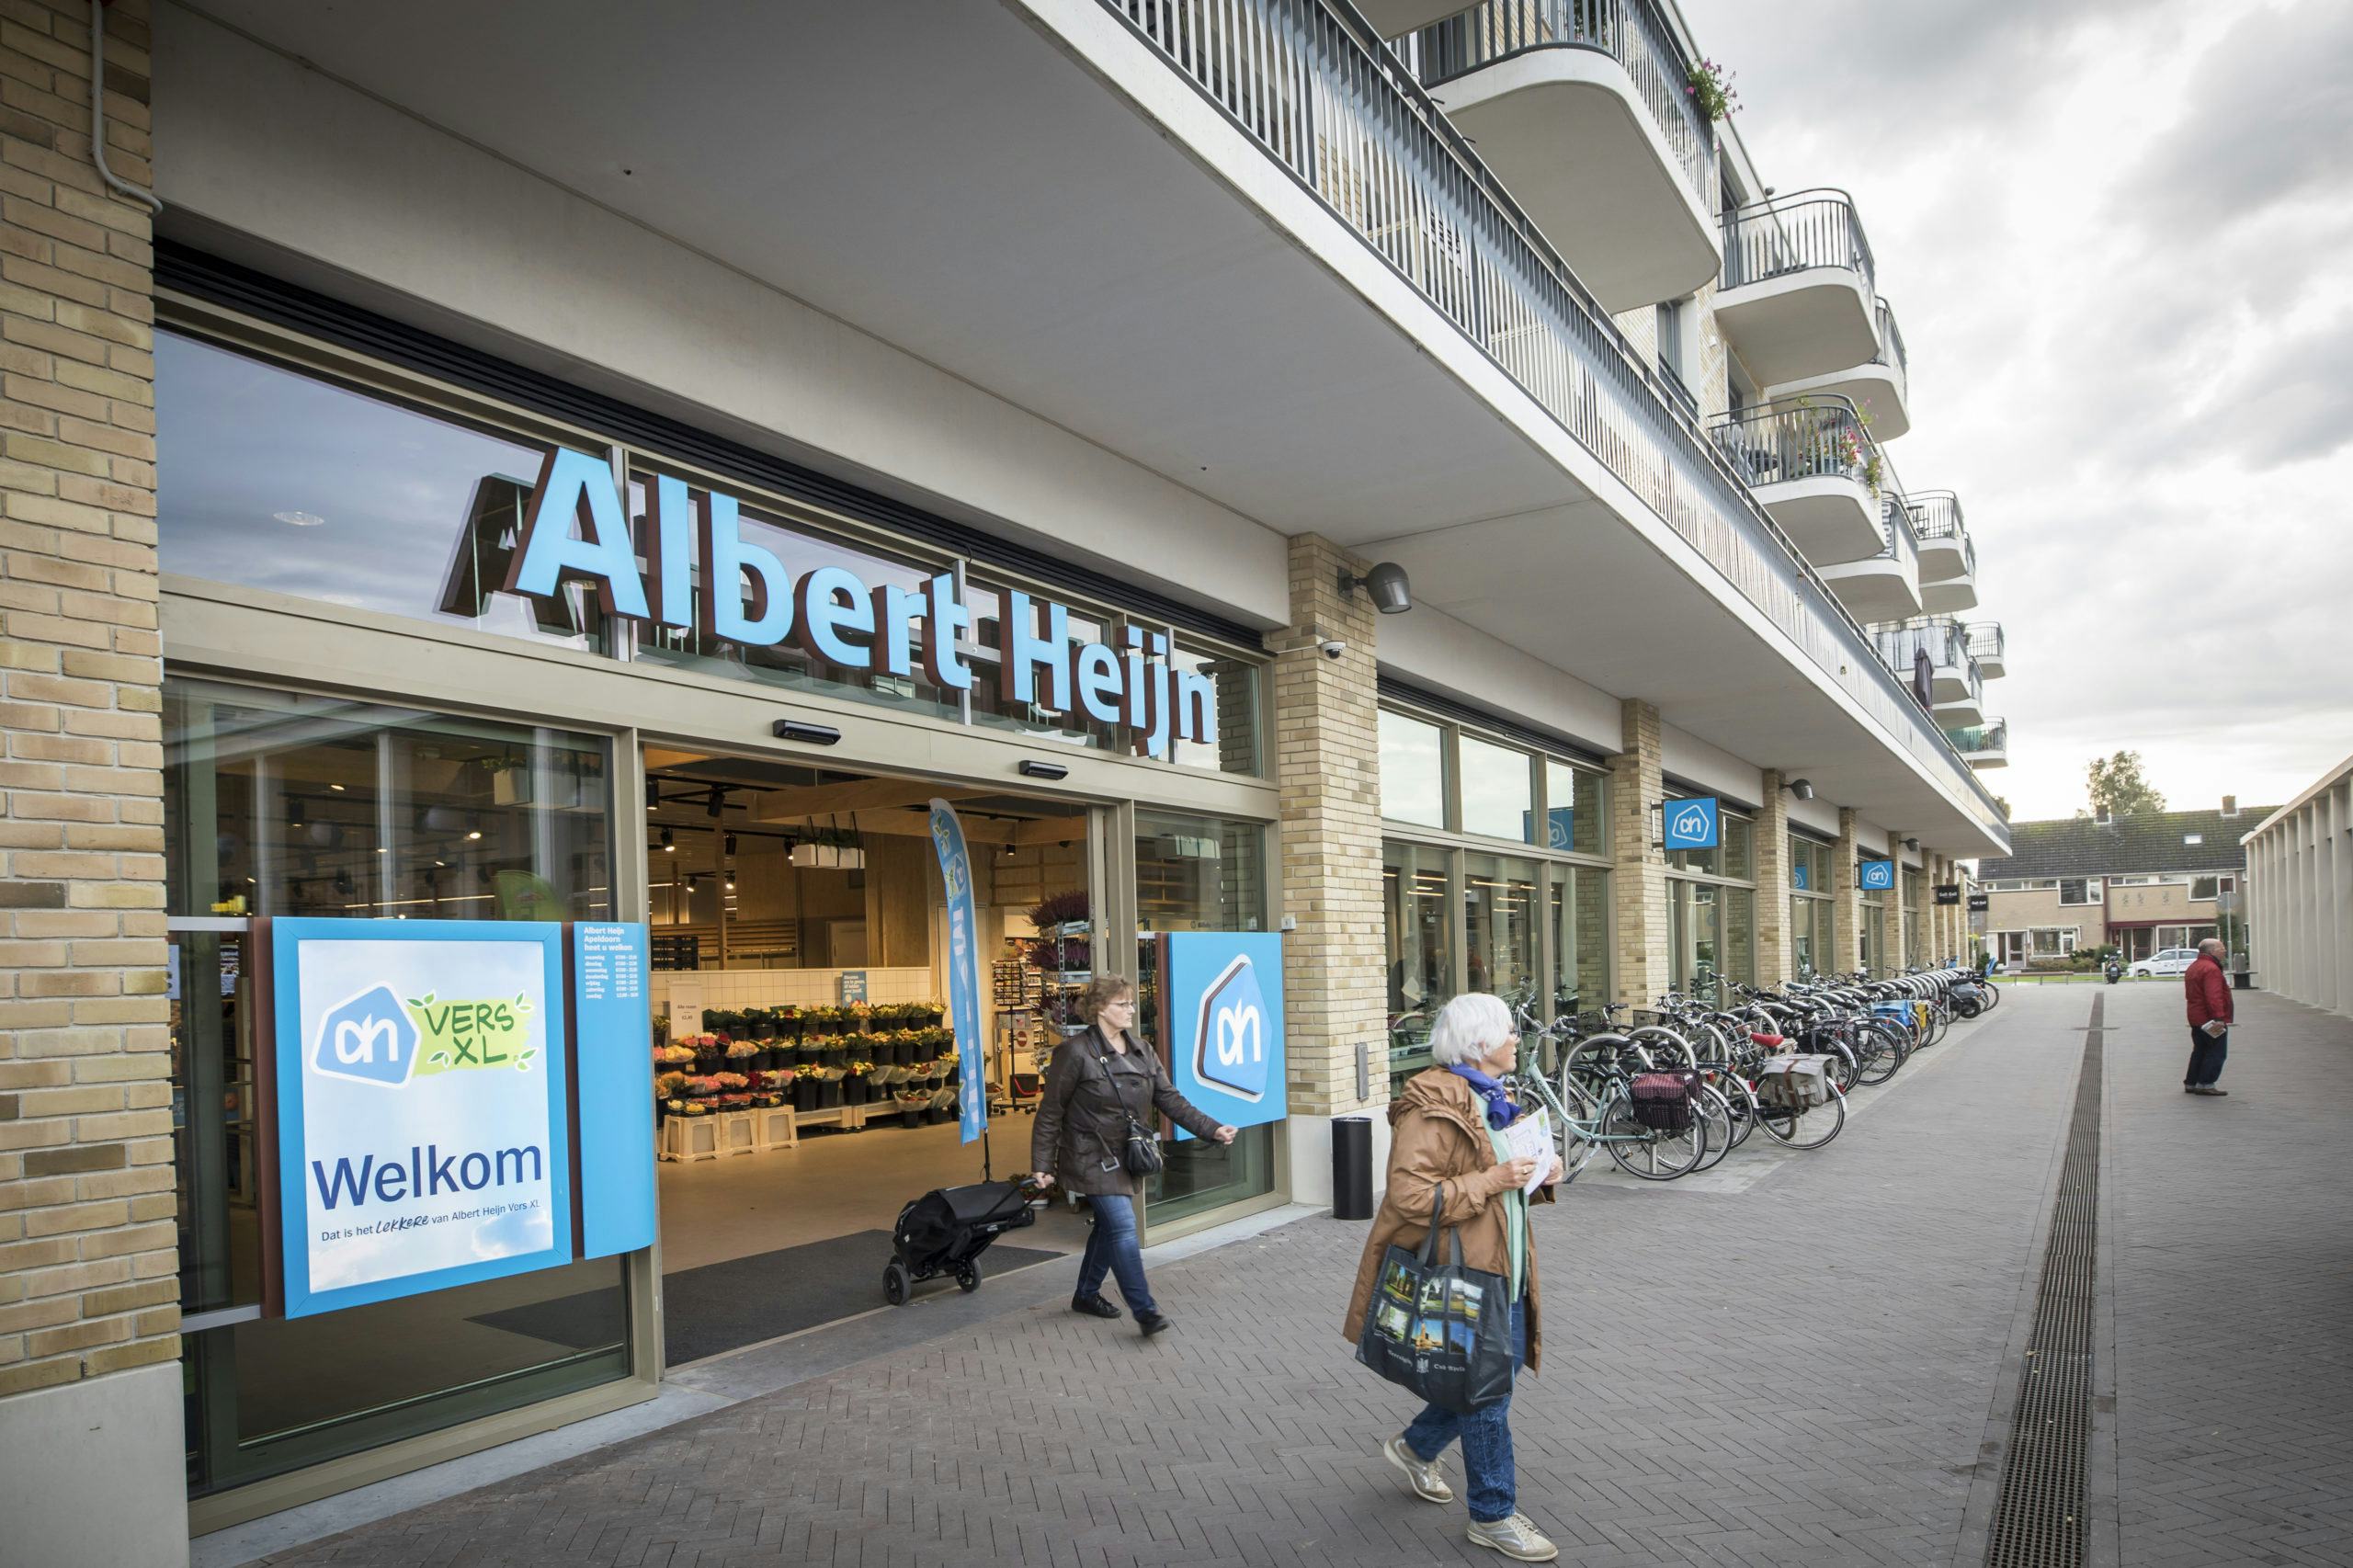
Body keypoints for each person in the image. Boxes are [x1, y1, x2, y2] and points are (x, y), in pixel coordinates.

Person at [1342, 992, 1562, 1562]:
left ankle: (1417, 1448)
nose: (1517, 1040)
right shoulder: (1431, 1108)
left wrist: (1539, 1175)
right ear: (1480, 1043)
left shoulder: (1492, 1097)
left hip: (1505, 1267)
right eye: (1509, 1031)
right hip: (1467, 1274)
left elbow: (1500, 1178)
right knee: (1488, 1395)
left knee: (1493, 1379)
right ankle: (1493, 1514)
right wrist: (1493, 1180)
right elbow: (1409, 1195)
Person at [1032, 974, 1234, 1335]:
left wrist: (1211, 1129)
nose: (1131, 1010)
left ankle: (1086, 1294)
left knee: (1109, 1227)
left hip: (1127, 1154)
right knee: (1124, 1227)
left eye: (1130, 1003)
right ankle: (1145, 1310)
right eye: (1122, 1004)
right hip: (1089, 1155)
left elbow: (1170, 1099)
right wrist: (1042, 1164)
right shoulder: (1075, 1052)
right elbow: (1051, 1111)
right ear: (1100, 1009)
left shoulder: (1142, 1050)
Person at [2184, 936, 2234, 1096]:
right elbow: (2214, 996)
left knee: (2200, 1050)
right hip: (2209, 1019)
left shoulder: (2195, 966)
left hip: (2196, 1017)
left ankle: (2191, 1082)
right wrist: (2219, 1018)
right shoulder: (2211, 969)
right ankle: (2205, 1084)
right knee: (2216, 1051)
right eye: (2222, 948)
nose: (2224, 951)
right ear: (2212, 951)